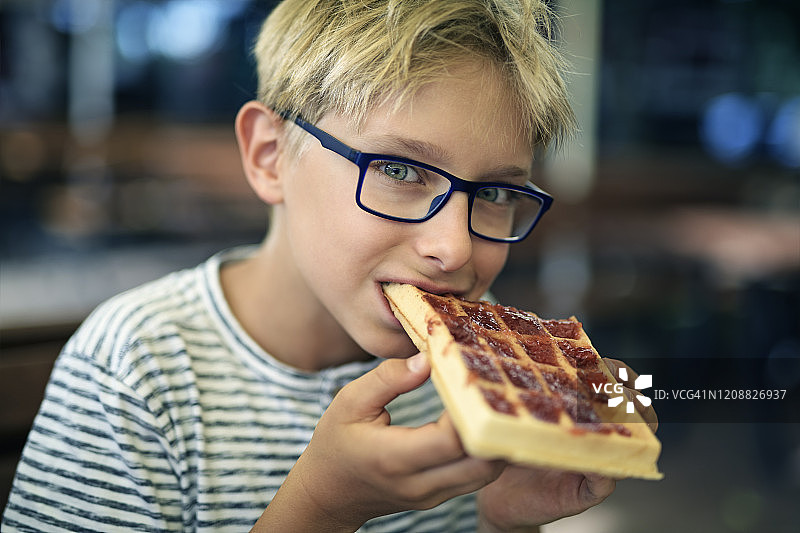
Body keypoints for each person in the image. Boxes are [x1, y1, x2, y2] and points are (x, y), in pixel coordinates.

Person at [3, 0, 657, 531]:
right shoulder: (135, 368)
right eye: (399, 170)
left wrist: (503, 519)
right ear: (268, 155)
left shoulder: (480, 370)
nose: (454, 248)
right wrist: (322, 508)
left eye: (492, 192)